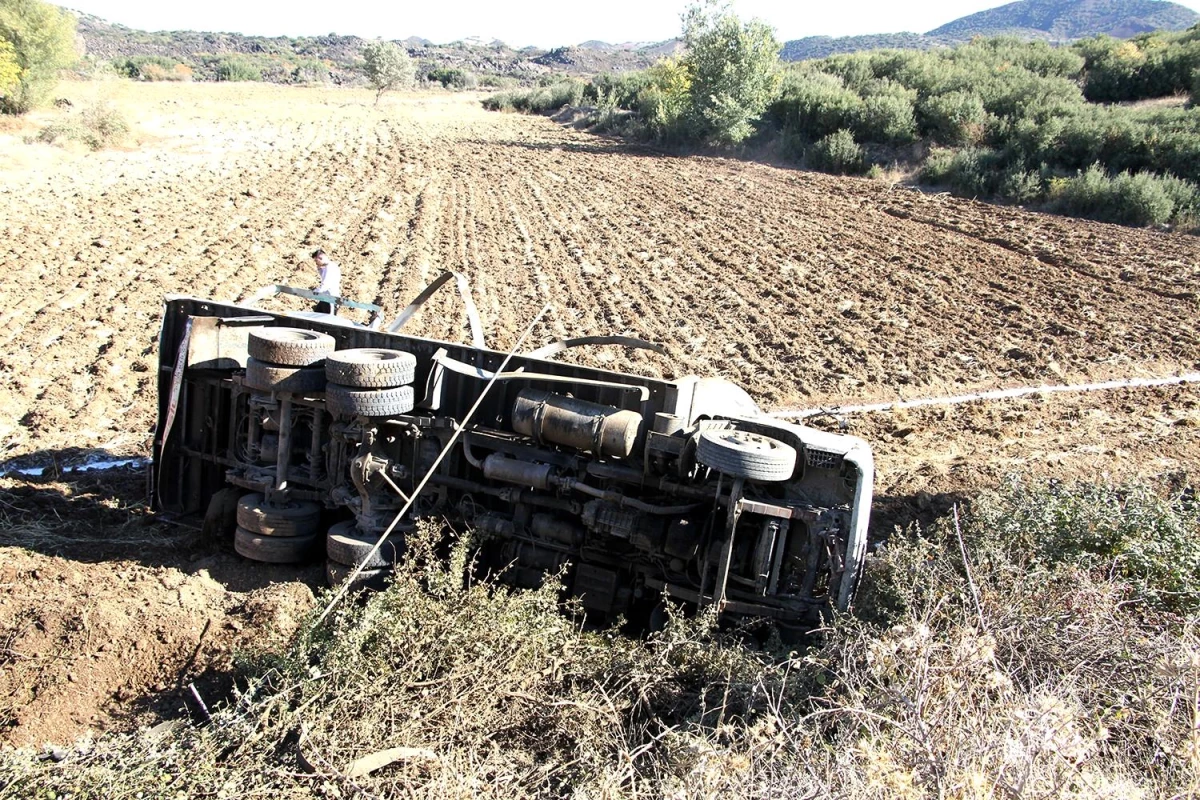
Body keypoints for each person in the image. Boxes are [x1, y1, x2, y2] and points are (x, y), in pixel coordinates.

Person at [311, 249, 342, 314]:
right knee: (316, 316)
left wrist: (314, 293)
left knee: (327, 320)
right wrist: (320, 269)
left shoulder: (330, 267)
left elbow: (325, 284)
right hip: (325, 298)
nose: (316, 263)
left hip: (331, 299)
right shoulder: (327, 267)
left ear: (320, 258)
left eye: (316, 260)